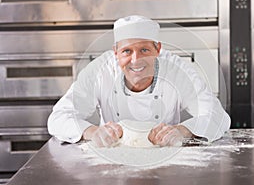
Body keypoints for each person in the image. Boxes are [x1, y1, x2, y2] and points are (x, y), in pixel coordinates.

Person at [47, 15, 230, 147]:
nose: (136, 60)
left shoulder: (177, 70)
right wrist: (92, 132)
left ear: (158, 49)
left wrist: (182, 131)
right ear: (116, 52)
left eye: (144, 50)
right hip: (112, 161)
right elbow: (58, 118)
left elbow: (218, 117)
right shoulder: (100, 71)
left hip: (165, 158)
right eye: (127, 51)